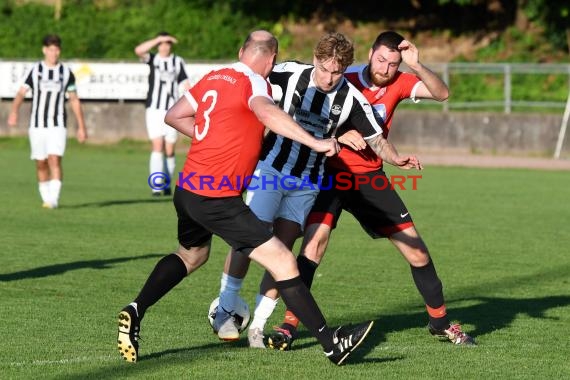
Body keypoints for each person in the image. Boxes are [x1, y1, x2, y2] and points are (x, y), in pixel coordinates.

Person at [117, 30, 374, 366]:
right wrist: (315, 142)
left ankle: (135, 310)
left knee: (191, 256)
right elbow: (268, 113)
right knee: (283, 261)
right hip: (217, 199)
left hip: (188, 189)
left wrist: (214, 137)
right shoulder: (257, 83)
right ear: (271, 59)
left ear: (242, 51)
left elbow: (173, 115)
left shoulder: (215, 75)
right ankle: (332, 343)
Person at [264, 31, 475, 350]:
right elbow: (313, 114)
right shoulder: (341, 75)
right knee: (313, 246)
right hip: (331, 175)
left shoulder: (401, 82)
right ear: (371, 53)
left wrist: (416, 66)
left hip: (370, 178)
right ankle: (289, 324)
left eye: (393, 63)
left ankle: (440, 322)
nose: (386, 68)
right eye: (381, 60)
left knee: (416, 251)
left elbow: (442, 93)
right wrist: (341, 134)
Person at [214, 32, 422, 348]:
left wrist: (396, 158)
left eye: (336, 72)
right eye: (323, 69)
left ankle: (257, 325)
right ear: (314, 59)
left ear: (346, 69)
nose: (328, 78)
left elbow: (376, 139)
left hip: (307, 183)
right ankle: (226, 304)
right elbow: (249, 76)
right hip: (271, 170)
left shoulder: (352, 99)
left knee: (281, 250)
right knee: (248, 237)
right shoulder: (287, 73)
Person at [7, 34, 87, 209]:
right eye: (51, 49)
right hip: (37, 125)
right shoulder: (36, 71)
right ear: (44, 50)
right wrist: (14, 112)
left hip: (57, 124)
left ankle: (53, 200)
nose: (54, 53)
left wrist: (81, 126)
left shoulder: (66, 73)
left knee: (55, 159)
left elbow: (74, 99)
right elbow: (21, 93)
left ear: (60, 51)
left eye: (57, 49)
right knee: (41, 162)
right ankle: (46, 197)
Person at [135, 31, 190, 196]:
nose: (164, 46)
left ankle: (166, 183)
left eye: (167, 43)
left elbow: (185, 83)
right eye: (161, 43)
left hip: (172, 110)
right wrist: (158, 39)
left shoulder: (177, 61)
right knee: (157, 146)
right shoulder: (153, 59)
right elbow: (138, 50)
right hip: (154, 110)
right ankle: (156, 186)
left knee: (170, 149)